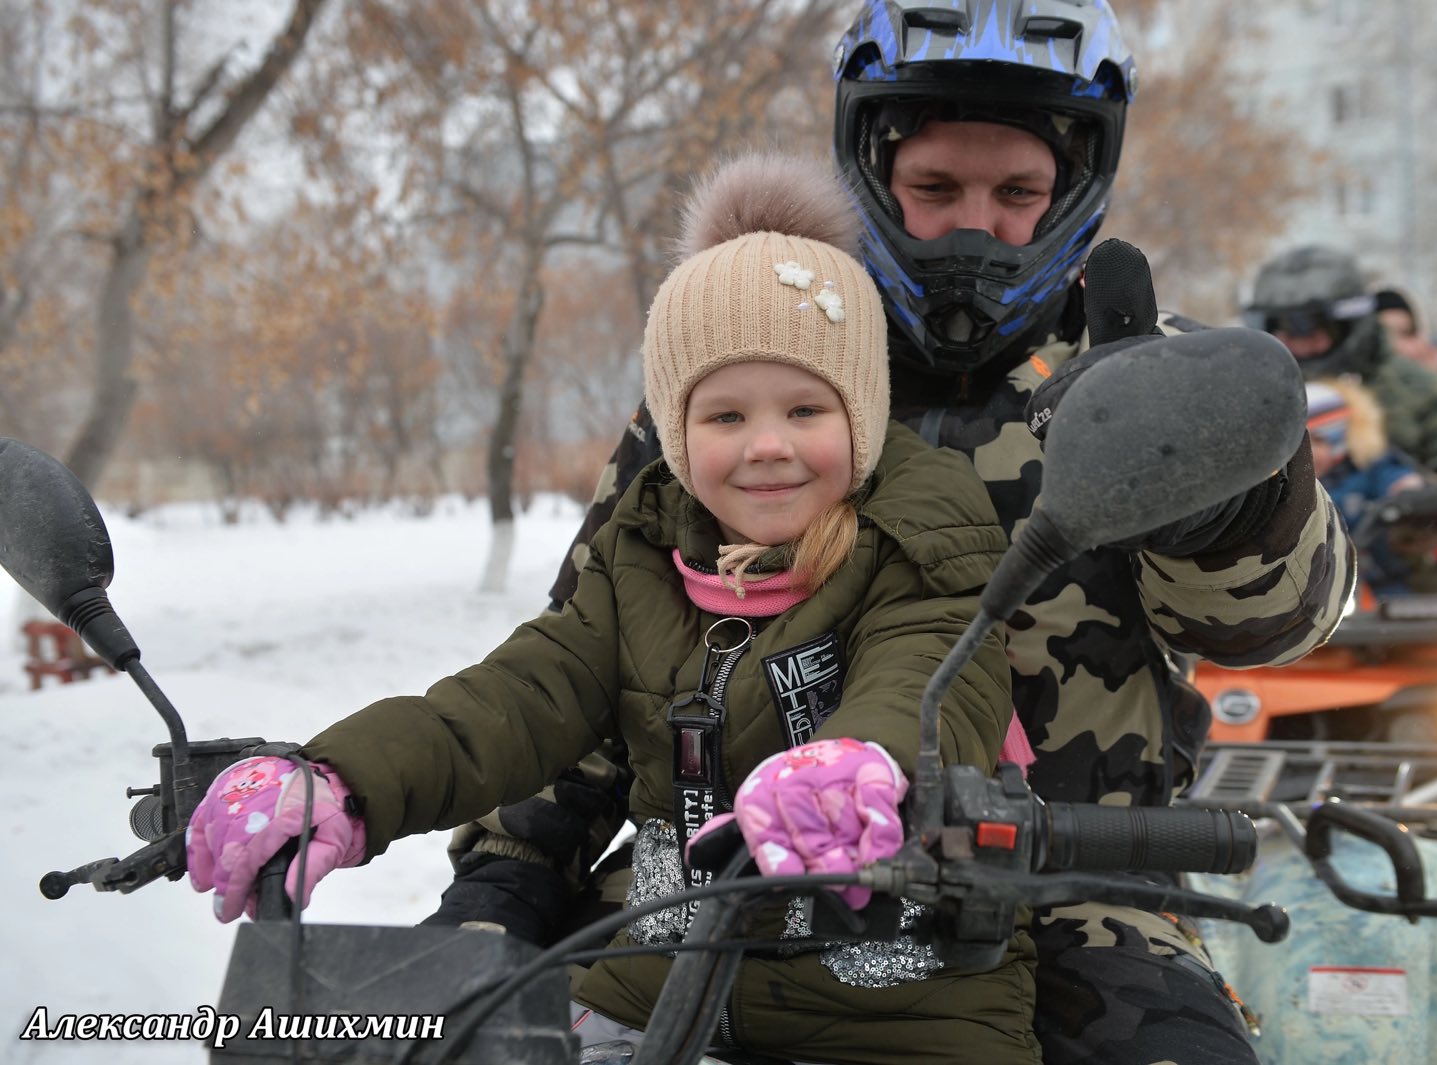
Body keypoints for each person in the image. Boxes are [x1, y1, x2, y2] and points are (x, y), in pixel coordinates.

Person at [430, 3, 1357, 1063]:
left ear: (1073, 190)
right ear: (873, 171)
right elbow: (595, 651)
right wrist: (507, 880)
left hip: (1070, 892)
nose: (977, 226)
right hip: (714, 884)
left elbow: (1286, 625)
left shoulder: (1152, 377)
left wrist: (1222, 509)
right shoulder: (755, 368)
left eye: (1016, 193)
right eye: (935, 189)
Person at [186, 151, 1040, 1063]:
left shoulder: (923, 534)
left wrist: (863, 759)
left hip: (903, 1004)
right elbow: (513, 697)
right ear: (675, 434)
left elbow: (932, 674)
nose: (766, 446)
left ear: (862, 415)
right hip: (664, 978)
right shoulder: (644, 555)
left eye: (805, 409)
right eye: (723, 417)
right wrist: (343, 777)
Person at [1244, 245, 1437, 472]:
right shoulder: (1257, 394)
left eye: (1307, 325)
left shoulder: (1421, 389)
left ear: (1348, 324)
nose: (1296, 340)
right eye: (1280, 325)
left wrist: (1417, 501)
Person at [1306, 380, 1424, 596]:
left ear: (1338, 442)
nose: (1308, 452)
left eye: (1318, 440)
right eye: (1300, 442)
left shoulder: (1367, 467)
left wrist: (1406, 490)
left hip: (1375, 576)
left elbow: (1395, 476)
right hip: (1313, 584)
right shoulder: (1285, 482)